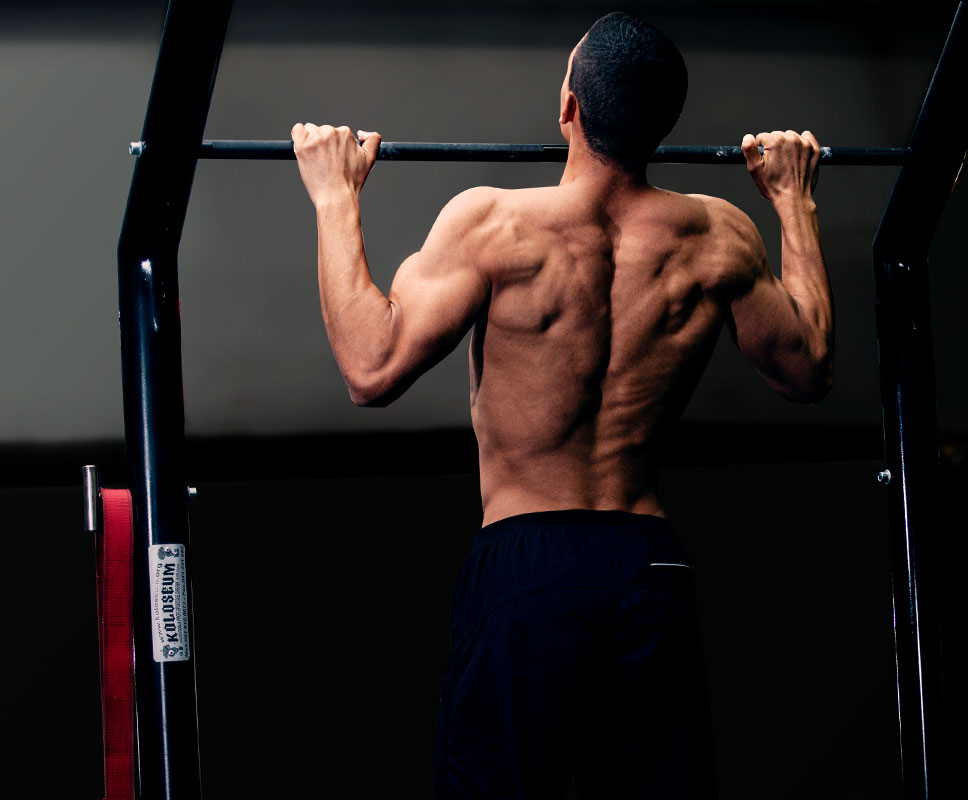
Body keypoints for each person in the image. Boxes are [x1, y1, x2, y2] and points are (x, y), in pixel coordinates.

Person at [290, 10, 831, 799]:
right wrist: (795, 205)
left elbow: (371, 370)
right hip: (652, 564)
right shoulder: (720, 236)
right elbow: (809, 366)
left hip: (530, 566)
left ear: (570, 107)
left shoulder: (494, 225)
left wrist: (335, 198)